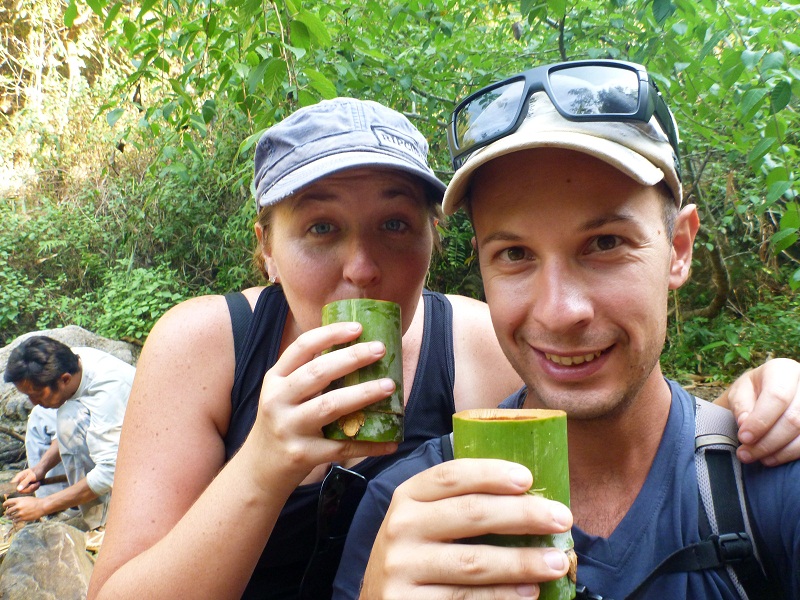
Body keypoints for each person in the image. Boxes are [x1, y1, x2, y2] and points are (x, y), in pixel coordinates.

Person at [87, 97, 797, 600]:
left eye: (395, 225)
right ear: (266, 249)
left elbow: (608, 408)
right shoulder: (207, 346)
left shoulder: (484, 342)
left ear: (434, 242)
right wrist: (265, 463)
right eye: (320, 229)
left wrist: (754, 405)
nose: (362, 267)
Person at [334, 60, 800, 599]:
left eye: (605, 243)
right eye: (515, 254)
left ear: (678, 249)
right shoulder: (406, 512)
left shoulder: (771, 490)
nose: (560, 312)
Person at [3, 336, 135, 530]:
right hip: (104, 432)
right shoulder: (63, 362)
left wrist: (42, 506)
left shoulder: (108, 391)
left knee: (69, 416)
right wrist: (40, 469)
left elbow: (110, 472)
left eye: (37, 395)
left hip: (142, 454)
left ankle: (102, 522)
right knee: (40, 416)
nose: (32, 401)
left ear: (64, 379)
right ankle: (64, 509)